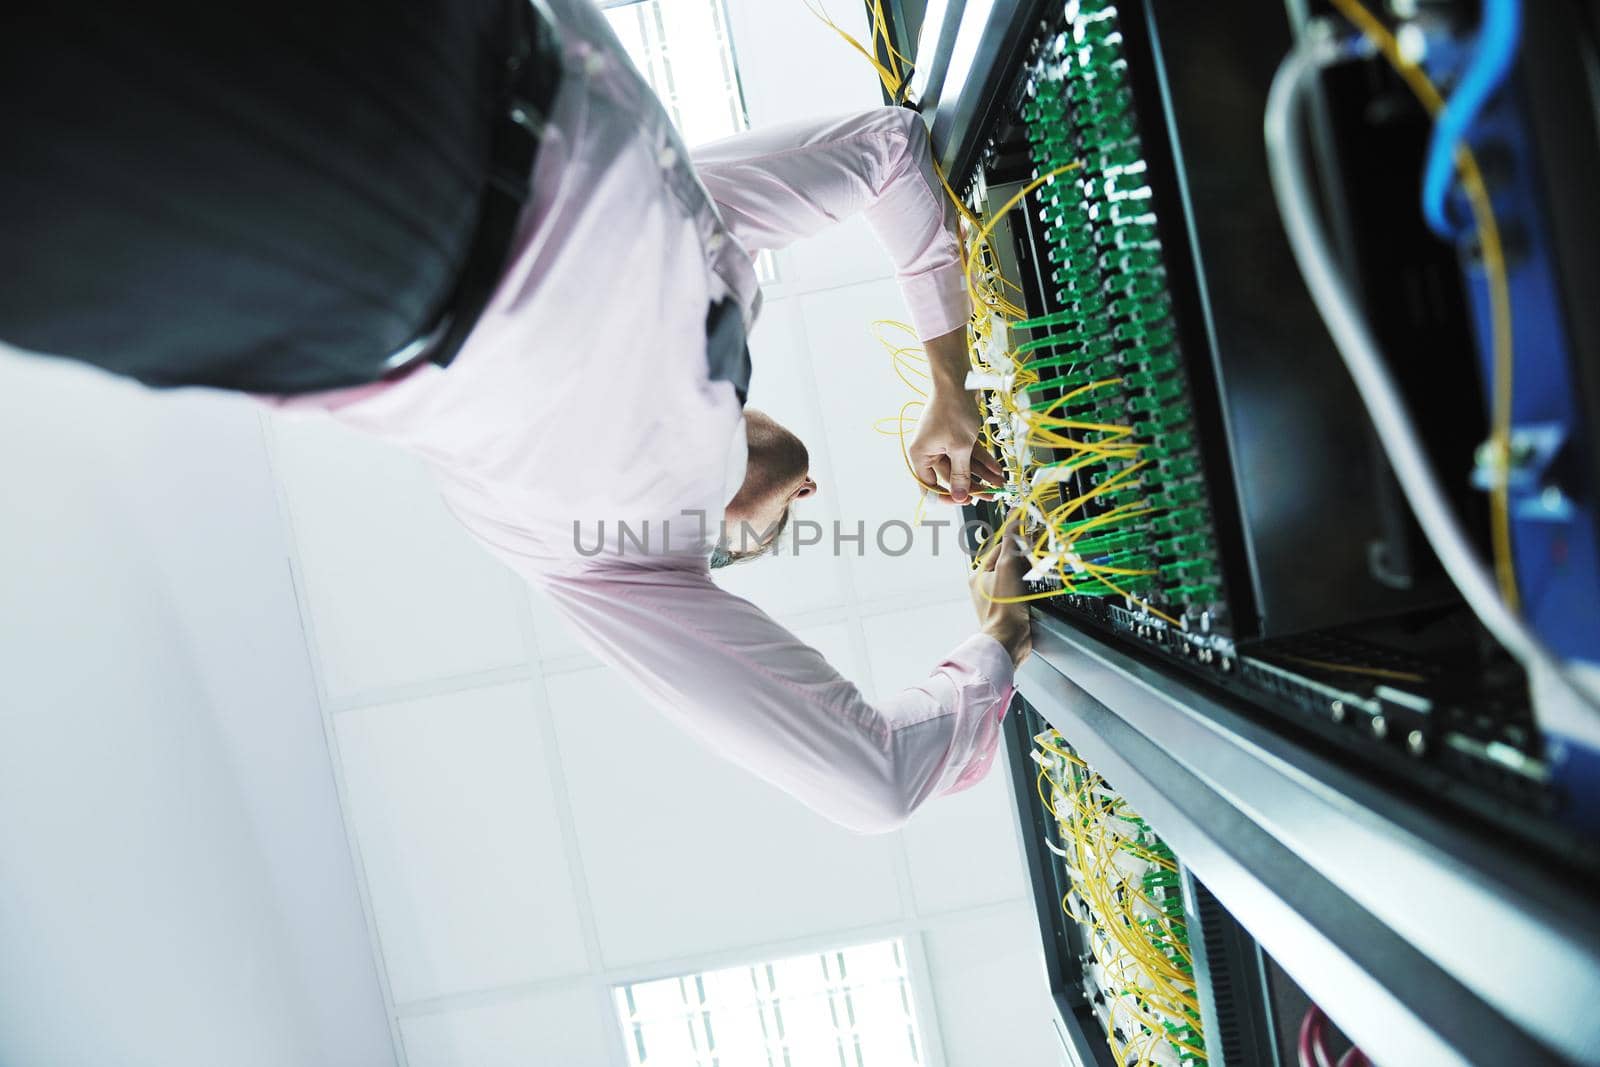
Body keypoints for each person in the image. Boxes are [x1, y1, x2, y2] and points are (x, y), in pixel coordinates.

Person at [2, 0, 1032, 832]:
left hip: (357, 263)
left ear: (718, 548)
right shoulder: (718, 266)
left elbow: (876, 781)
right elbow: (888, 151)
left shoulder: (613, 564)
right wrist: (950, 384)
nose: (807, 490)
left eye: (784, 526)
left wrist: (994, 644)